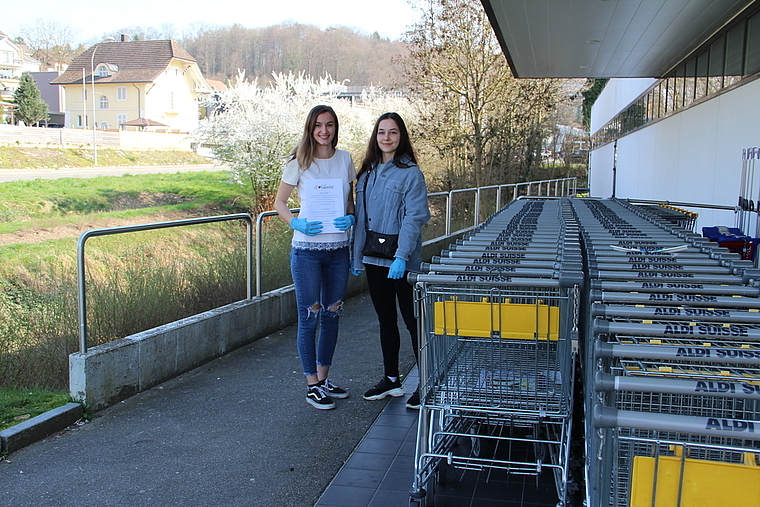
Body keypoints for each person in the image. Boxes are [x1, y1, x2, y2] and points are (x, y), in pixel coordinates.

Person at [274, 105, 356, 410]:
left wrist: (350, 216)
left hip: (338, 249)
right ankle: (311, 385)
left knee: (332, 315)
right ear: (310, 128)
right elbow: (280, 203)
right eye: (319, 125)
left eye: (330, 125)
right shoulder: (299, 162)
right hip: (307, 250)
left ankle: (324, 379)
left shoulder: (345, 158)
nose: (324, 131)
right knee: (309, 316)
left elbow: (349, 199)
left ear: (336, 128)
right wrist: (295, 222)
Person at [351, 112, 430, 409]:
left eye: (393, 132)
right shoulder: (368, 172)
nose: (386, 137)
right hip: (374, 259)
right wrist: (356, 255)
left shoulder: (411, 173)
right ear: (376, 136)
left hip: (402, 261)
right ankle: (391, 379)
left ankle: (427, 381)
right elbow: (360, 218)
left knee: (413, 321)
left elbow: (414, 218)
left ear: (401, 136)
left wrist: (401, 257)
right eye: (382, 132)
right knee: (386, 321)